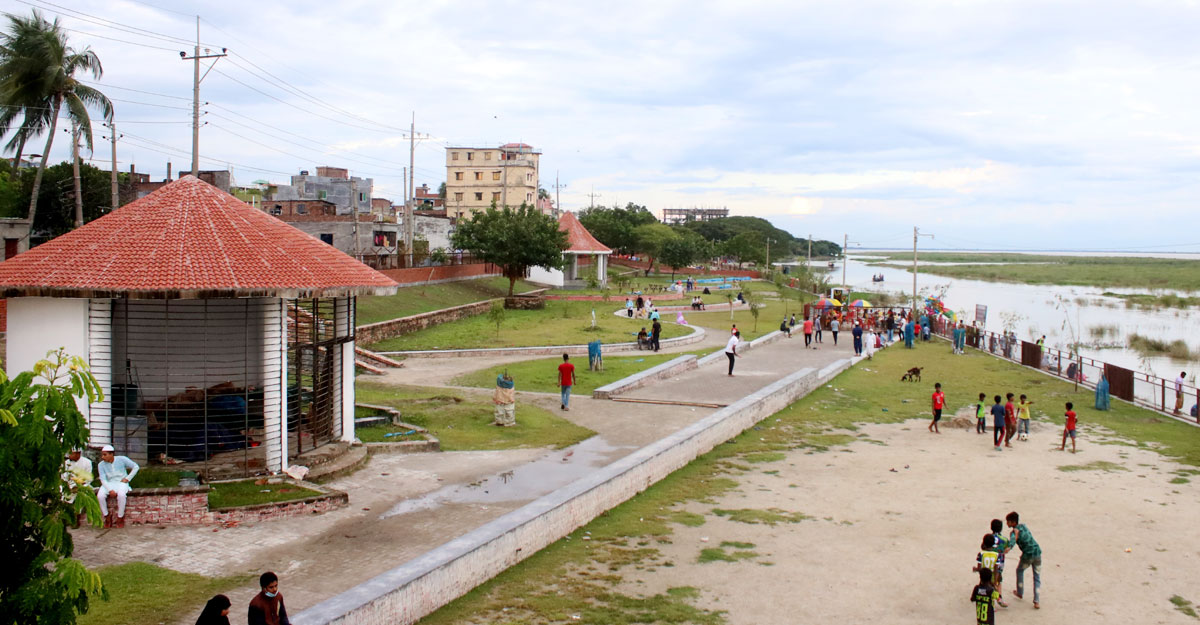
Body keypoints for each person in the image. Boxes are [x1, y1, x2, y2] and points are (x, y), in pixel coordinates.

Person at [1005, 511, 1042, 609]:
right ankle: (1036, 601)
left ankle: (1020, 592)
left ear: (1012, 522)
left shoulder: (1013, 533)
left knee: (1020, 570)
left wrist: (1006, 550)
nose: (1006, 523)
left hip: (1028, 556)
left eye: (1008, 521)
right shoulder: (1024, 526)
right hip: (1037, 552)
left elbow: (1011, 544)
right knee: (1037, 577)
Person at [97, 444, 139, 527]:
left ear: (111, 454)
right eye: (102, 455)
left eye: (105, 455)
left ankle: (120, 517)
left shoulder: (121, 459)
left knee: (121, 495)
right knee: (100, 496)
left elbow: (136, 467)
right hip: (108, 483)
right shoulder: (101, 465)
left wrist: (127, 478)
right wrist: (110, 490)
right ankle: (107, 516)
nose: (103, 457)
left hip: (121, 483)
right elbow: (103, 479)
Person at [989, 518, 1011, 607]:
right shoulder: (1004, 540)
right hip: (999, 563)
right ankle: (999, 597)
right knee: (998, 580)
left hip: (989, 561)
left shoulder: (988, 538)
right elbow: (1007, 548)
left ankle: (991, 600)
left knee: (988, 579)